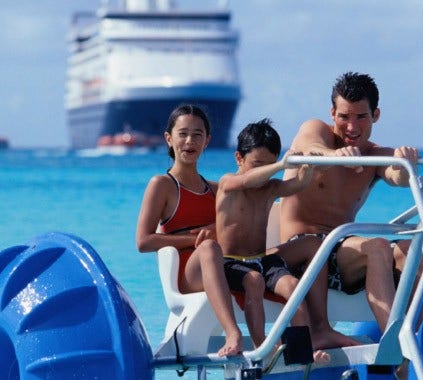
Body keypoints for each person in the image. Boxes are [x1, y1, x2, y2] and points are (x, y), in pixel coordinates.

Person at [276, 72, 420, 350]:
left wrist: (405, 163)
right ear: (332, 113)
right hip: (303, 253)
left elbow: (396, 176)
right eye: (344, 116)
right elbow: (308, 145)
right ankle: (399, 350)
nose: (351, 126)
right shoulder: (316, 131)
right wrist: (334, 156)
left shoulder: (374, 155)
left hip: (343, 254)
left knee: (409, 250)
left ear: (376, 115)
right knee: (376, 246)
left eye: (361, 117)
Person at [210, 119, 328, 362]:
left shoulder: (270, 188)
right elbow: (246, 180)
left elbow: (299, 184)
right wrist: (281, 165)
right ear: (238, 159)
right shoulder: (228, 183)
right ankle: (262, 346)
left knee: (294, 287)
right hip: (230, 263)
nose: (263, 172)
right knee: (253, 280)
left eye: (271, 164)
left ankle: (301, 351)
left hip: (262, 261)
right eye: (257, 165)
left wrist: (308, 166)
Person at [134, 104, 238, 357]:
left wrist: (215, 229)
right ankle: (232, 332)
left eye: (197, 134)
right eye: (182, 133)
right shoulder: (162, 185)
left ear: (207, 141)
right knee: (209, 247)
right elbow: (143, 241)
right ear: (169, 138)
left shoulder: (215, 189)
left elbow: (237, 227)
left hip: (216, 269)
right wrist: (194, 239)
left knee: (257, 277)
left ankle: (270, 346)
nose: (189, 141)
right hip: (185, 275)